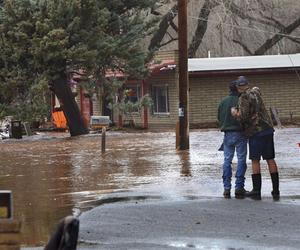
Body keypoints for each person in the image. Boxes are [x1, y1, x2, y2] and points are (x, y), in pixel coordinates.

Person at [231, 76, 280, 201]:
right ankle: (275, 190)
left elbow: (244, 117)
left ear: (238, 87)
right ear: (247, 84)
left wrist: (235, 113)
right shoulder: (256, 92)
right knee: (270, 159)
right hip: (268, 130)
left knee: (255, 160)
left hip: (256, 132)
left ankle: (256, 190)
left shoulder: (243, 97)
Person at [218, 81, 248, 199]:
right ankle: (239, 187)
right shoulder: (241, 101)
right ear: (238, 88)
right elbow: (246, 117)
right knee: (241, 160)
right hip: (240, 133)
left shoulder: (223, 101)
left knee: (227, 160)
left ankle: (226, 188)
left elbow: (219, 117)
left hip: (227, 134)